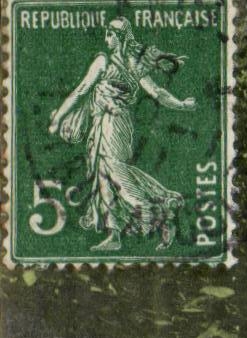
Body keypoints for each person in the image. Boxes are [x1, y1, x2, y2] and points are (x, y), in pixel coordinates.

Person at [48, 18, 196, 250]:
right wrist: (182, 105)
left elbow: (81, 91)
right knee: (106, 173)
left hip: (111, 123)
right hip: (112, 124)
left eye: (109, 34)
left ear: (119, 38)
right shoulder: (132, 65)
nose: (106, 38)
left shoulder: (103, 61)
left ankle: (160, 211)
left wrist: (57, 119)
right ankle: (116, 234)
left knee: (114, 173)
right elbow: (157, 92)